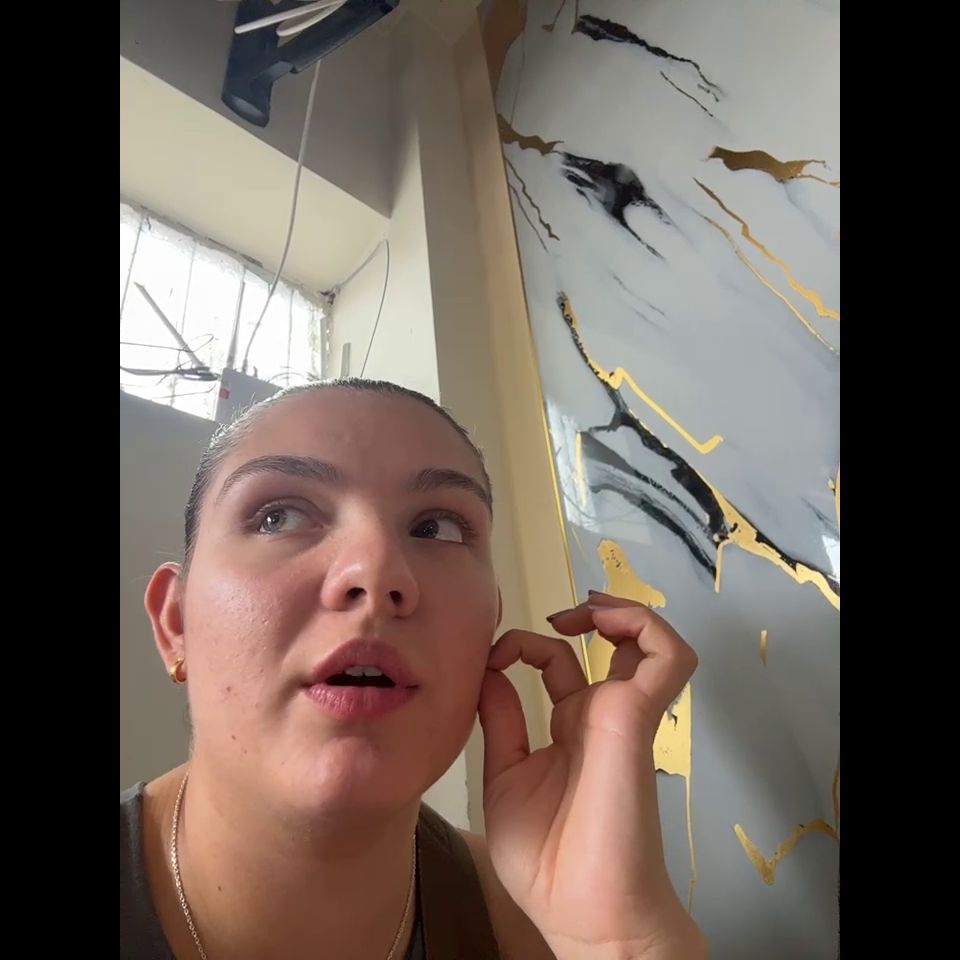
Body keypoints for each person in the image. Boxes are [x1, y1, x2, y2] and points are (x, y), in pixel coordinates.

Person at [120, 378, 706, 960]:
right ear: (176, 622)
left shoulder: (543, 925)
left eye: (436, 528)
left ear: (491, 625)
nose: (377, 571)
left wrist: (621, 942)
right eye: (279, 517)